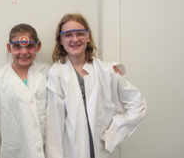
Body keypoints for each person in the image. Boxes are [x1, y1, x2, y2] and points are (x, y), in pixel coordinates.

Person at [45, 14, 146, 158]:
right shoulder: (56, 74)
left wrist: (114, 134)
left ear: (88, 37)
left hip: (100, 150)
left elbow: (138, 103)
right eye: (68, 35)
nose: (74, 39)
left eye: (80, 33)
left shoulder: (106, 71)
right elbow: (54, 127)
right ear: (61, 40)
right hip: (72, 152)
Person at [0, 23, 49, 158]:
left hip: (47, 151)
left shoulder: (49, 74)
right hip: (15, 152)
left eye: (29, 46)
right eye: (17, 46)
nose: (24, 52)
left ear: (38, 46)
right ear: (9, 48)